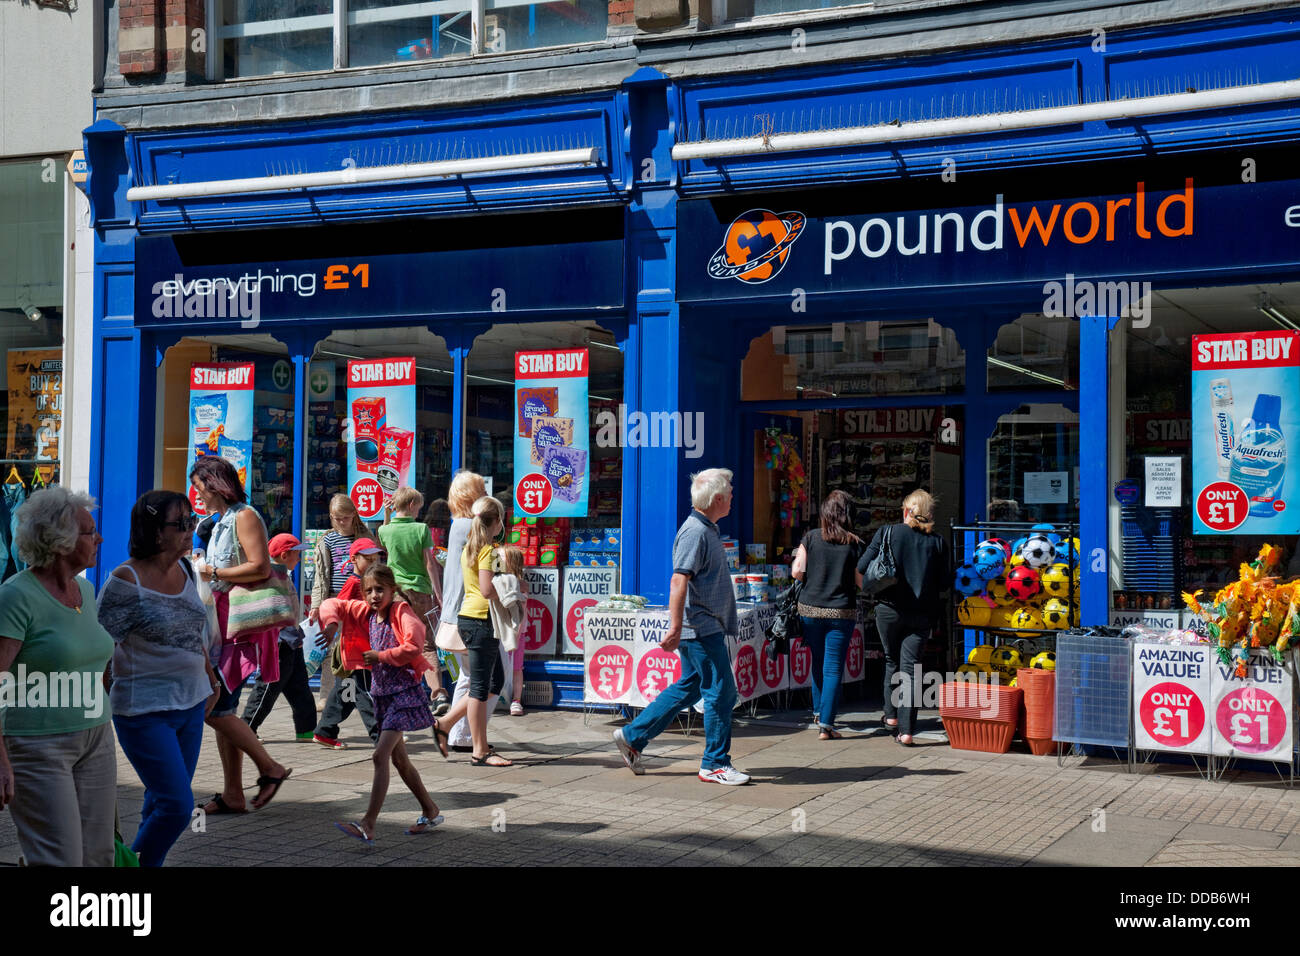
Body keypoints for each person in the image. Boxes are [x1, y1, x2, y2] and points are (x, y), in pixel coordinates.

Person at [98, 490, 222, 866]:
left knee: (158, 800)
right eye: (180, 524)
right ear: (155, 532)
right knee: (177, 805)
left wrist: (210, 676)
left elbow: (193, 631)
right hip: (144, 710)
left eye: (191, 520)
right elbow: (99, 645)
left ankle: (136, 864)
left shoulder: (186, 570)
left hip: (192, 703)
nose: (190, 529)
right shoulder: (126, 579)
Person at [0, 487, 117, 865]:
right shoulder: (17, 597)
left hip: (96, 736)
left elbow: (93, 659)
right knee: (59, 858)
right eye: (89, 531)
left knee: (99, 855)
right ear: (60, 540)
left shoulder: (84, 589)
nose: (98, 538)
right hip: (37, 745)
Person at [613, 468, 749, 785]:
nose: (732, 495)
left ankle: (633, 736)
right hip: (700, 628)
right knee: (721, 692)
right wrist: (675, 627)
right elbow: (678, 580)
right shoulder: (695, 532)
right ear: (717, 498)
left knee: (689, 688)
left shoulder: (707, 529)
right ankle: (714, 763)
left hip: (702, 626)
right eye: (729, 490)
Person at [189, 456, 293, 813]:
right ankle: (233, 793)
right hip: (219, 621)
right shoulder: (218, 522)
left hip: (237, 622)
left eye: (199, 485)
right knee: (225, 707)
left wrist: (212, 571)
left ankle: (270, 767)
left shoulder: (245, 516)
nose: (196, 493)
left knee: (213, 706)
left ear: (215, 483)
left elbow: (260, 565)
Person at [323, 564, 443, 844]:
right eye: (368, 591)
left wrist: (382, 655)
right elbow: (333, 603)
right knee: (400, 761)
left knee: (379, 756)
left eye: (380, 589)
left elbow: (415, 644)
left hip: (404, 695)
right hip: (382, 696)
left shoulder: (401, 611)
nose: (374, 595)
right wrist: (330, 624)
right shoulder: (367, 613)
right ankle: (430, 809)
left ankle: (368, 824)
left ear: (392, 589)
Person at [857, 489, 950, 746]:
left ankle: (891, 717)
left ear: (907, 510)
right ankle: (907, 731)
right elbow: (945, 583)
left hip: (888, 609)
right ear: (929, 513)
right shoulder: (938, 542)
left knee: (890, 660)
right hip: (922, 614)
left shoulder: (888, 532)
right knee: (911, 670)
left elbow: (864, 565)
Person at [431, 495, 512, 766]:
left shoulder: (469, 549)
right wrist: (513, 592)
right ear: (497, 522)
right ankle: (480, 750)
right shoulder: (487, 551)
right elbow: (487, 590)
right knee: (480, 687)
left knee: (493, 683)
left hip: (469, 619)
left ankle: (446, 722)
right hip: (481, 621)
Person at [791, 489, 864, 740]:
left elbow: (797, 572)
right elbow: (861, 582)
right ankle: (827, 724)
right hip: (841, 612)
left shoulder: (810, 537)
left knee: (818, 662)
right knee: (833, 668)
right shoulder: (854, 543)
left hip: (810, 610)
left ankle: (818, 711)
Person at [242, 534, 318, 742]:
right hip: (278, 642)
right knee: (267, 688)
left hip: (291, 640)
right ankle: (246, 728)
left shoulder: (283, 574)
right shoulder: (271, 578)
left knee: (300, 687)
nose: (300, 558)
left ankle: (306, 730)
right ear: (285, 555)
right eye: (297, 554)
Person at [379, 487, 449, 714]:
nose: (419, 511)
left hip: (396, 594)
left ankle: (402, 694)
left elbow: (384, 536)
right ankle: (437, 694)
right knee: (426, 644)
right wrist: (438, 593)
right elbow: (429, 563)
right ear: (411, 506)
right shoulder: (421, 529)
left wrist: (387, 513)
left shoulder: (386, 531)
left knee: (400, 643)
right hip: (420, 592)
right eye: (418, 506)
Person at [313, 538, 384, 749]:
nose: (373, 562)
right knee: (366, 693)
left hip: (363, 646)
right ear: (354, 559)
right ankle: (381, 736)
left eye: (376, 558)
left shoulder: (368, 583)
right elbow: (336, 607)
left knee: (346, 693)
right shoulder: (354, 583)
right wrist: (332, 626)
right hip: (357, 648)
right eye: (368, 558)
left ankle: (325, 731)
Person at [310, 494, 368, 708]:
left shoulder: (364, 536)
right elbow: (320, 575)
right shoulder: (327, 539)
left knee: (356, 648)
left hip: (360, 601)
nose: (341, 522)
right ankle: (325, 695)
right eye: (336, 518)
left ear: (354, 514)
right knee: (331, 650)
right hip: (335, 599)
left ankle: (351, 696)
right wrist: (317, 604)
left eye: (344, 518)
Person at [489, 545, 526, 714]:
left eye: (503, 558)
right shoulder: (496, 580)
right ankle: (497, 696)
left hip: (515, 632)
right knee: (500, 666)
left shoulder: (519, 584)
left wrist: (517, 632)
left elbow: (521, 611)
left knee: (516, 667)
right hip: (500, 630)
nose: (499, 560)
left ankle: (516, 699)